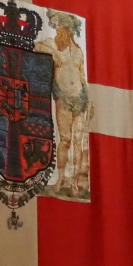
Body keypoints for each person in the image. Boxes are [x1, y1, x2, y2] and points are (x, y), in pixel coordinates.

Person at [37, 10, 91, 197]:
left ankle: (74, 181)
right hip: (63, 98)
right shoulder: (52, 44)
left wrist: (89, 100)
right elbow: (37, 45)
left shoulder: (78, 51)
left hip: (80, 99)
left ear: (69, 32)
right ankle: (61, 177)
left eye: (62, 30)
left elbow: (82, 76)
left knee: (78, 141)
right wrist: (53, 54)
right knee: (65, 140)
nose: (59, 33)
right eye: (58, 29)